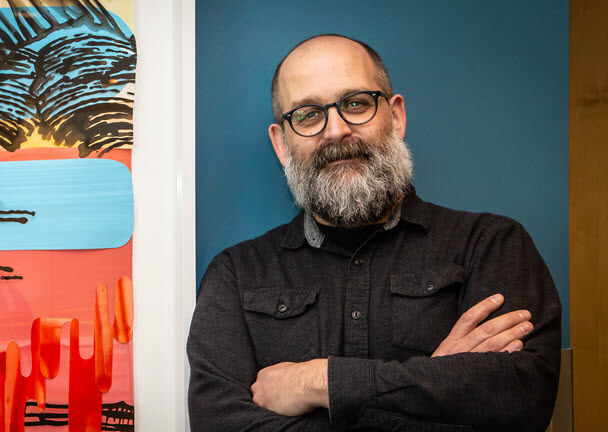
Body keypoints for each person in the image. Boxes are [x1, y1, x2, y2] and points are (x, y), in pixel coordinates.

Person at [187, 34, 561, 431]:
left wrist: (320, 382)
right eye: (308, 114)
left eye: (355, 104)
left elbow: (521, 403)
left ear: (395, 116)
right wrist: (436, 382)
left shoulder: (490, 245)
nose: (335, 131)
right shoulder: (235, 273)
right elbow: (218, 422)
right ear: (281, 144)